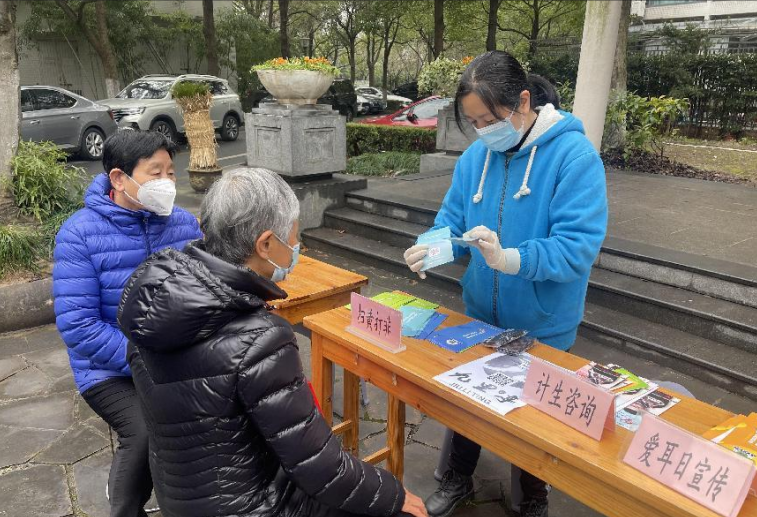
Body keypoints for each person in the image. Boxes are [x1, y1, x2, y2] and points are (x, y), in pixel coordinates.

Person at [117, 167, 428, 517]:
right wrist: (393, 494)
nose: (299, 246)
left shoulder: (148, 308)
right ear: (265, 244)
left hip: (182, 498)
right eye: (294, 236)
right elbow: (320, 467)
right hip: (255, 505)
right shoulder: (260, 338)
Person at [403, 51, 608, 517]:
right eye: (474, 122)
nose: (483, 131)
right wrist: (430, 247)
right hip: (481, 312)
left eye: (490, 119)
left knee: (533, 418)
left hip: (544, 319)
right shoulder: (477, 157)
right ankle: (457, 479)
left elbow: (577, 247)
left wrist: (510, 258)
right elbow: (452, 222)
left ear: (521, 101)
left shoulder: (574, 156)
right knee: (468, 404)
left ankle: (533, 498)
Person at [53, 130, 203, 517]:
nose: (168, 183)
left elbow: (206, 288)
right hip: (107, 370)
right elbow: (79, 327)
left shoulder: (184, 224)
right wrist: (147, 358)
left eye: (171, 171)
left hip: (173, 358)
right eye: (155, 173)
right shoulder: (79, 235)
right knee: (145, 432)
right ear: (119, 178)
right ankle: (124, 508)